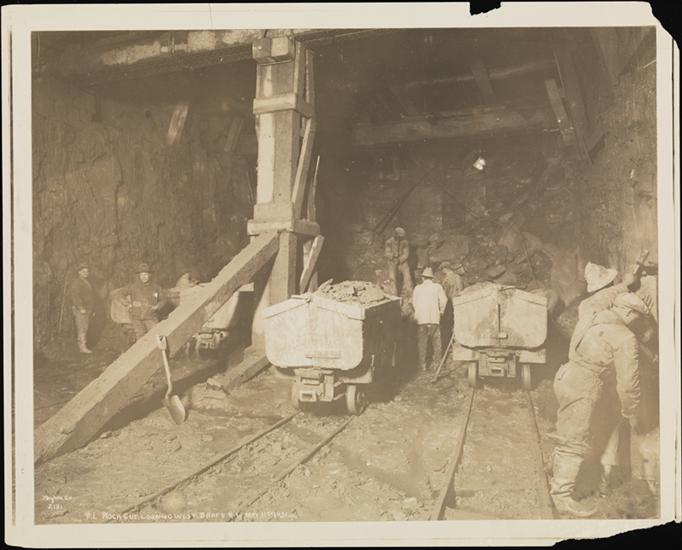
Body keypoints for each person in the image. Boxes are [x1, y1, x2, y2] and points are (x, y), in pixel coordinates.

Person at [550, 291, 653, 517]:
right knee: (574, 441)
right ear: (628, 313)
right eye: (637, 317)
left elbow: (594, 299)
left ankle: (556, 473)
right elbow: (628, 384)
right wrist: (631, 410)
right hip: (584, 385)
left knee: (566, 431)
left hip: (565, 375)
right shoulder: (625, 338)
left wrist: (624, 285)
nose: (637, 322)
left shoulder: (591, 314)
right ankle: (562, 496)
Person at [118, 262, 168, 341]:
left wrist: (157, 306)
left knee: (155, 337)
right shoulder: (133, 287)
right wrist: (127, 304)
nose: (144, 277)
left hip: (151, 316)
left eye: (145, 274)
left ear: (149, 275)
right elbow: (120, 294)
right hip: (137, 318)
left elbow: (164, 299)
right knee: (141, 339)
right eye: (142, 275)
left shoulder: (155, 287)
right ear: (139, 276)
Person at [412, 267, 448, 371]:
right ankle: (437, 364)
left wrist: (419, 311)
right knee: (436, 343)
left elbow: (414, 302)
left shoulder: (417, 288)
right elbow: (444, 300)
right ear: (432, 278)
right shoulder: (437, 287)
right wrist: (441, 311)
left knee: (422, 343)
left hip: (421, 320)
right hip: (434, 319)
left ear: (423, 278)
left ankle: (423, 365)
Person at [69, 262, 95, 354]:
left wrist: (92, 309)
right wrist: (80, 308)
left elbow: (90, 297)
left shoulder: (86, 282)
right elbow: (75, 296)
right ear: (79, 272)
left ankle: (83, 346)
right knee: (82, 327)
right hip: (81, 309)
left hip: (87, 309)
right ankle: (82, 347)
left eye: (87, 272)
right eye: (83, 271)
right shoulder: (77, 283)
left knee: (85, 327)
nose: (86, 273)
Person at [384, 227, 412, 296]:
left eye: (401, 237)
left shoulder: (405, 242)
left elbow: (406, 254)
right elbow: (387, 253)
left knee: (408, 277)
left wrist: (400, 260)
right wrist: (392, 257)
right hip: (392, 261)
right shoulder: (389, 242)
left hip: (402, 262)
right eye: (399, 236)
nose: (400, 238)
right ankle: (394, 295)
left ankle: (409, 294)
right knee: (392, 278)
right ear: (395, 234)